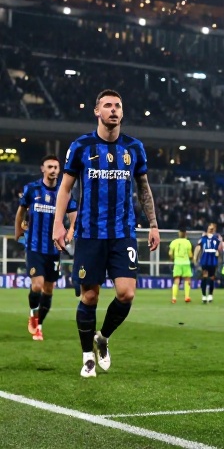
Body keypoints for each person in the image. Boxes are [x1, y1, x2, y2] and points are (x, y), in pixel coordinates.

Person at [53, 89, 160, 378]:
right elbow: (65, 188)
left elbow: (144, 188)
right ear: (97, 111)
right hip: (90, 233)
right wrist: (58, 223)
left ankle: (103, 337)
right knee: (90, 297)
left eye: (118, 106)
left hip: (123, 232)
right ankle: (87, 355)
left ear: (122, 113)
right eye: (108, 105)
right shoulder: (81, 146)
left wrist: (153, 223)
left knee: (126, 293)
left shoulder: (134, 148)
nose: (113, 110)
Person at [15, 155, 77, 341]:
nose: (53, 170)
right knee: (37, 285)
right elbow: (21, 211)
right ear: (43, 169)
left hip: (54, 249)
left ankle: (39, 325)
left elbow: (73, 215)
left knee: (49, 290)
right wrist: (18, 231)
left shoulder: (64, 192)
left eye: (56, 167)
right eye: (49, 167)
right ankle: (33, 315)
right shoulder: (32, 189)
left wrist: (71, 230)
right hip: (34, 247)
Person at [194, 223, 221, 304]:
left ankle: (210, 295)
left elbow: (218, 249)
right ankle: (204, 295)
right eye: (210, 227)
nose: (211, 229)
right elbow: (198, 247)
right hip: (205, 259)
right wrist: (195, 257)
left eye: (213, 228)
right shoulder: (203, 238)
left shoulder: (216, 239)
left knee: (212, 277)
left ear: (215, 229)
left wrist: (218, 253)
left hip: (213, 259)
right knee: (204, 276)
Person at [169, 227, 193, 304]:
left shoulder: (174, 242)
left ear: (179, 233)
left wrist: (173, 259)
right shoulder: (187, 242)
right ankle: (187, 297)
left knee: (176, 280)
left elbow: (170, 253)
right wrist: (192, 258)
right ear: (185, 234)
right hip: (186, 263)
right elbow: (190, 254)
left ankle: (174, 298)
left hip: (177, 263)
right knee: (187, 280)